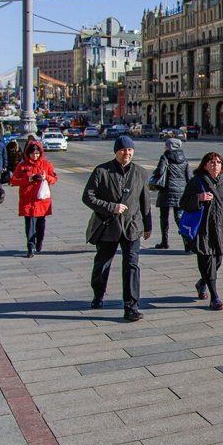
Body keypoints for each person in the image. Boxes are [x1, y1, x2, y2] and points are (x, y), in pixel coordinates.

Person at [82, 135, 152, 321]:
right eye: (123, 150)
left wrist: (148, 225)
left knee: (131, 265)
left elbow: (145, 202)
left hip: (132, 226)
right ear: (116, 152)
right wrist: (111, 207)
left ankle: (131, 306)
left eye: (129, 150)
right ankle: (98, 294)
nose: (126, 153)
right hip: (108, 225)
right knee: (103, 263)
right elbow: (88, 197)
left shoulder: (140, 172)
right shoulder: (101, 171)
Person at [179, 152, 223, 310]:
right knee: (206, 262)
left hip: (221, 229)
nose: (215, 165)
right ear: (204, 165)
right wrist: (199, 198)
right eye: (211, 162)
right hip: (203, 230)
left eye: (218, 162)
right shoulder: (196, 181)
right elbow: (183, 203)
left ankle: (202, 283)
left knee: (217, 260)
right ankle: (215, 297)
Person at [10, 142, 58, 258]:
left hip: (41, 201)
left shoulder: (46, 164)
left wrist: (46, 177)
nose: (34, 156)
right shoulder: (22, 166)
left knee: (40, 225)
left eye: (37, 154)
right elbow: (14, 180)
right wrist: (29, 179)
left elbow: (54, 179)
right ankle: (30, 247)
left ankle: (39, 242)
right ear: (28, 153)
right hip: (27, 200)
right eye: (32, 154)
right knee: (30, 224)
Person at [152, 137, 192, 250]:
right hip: (181, 191)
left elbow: (160, 171)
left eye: (166, 145)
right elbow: (189, 177)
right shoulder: (184, 158)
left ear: (170, 146)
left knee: (164, 217)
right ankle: (187, 241)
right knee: (179, 217)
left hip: (166, 190)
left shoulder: (165, 156)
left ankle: (164, 242)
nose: (164, 146)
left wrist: (155, 173)